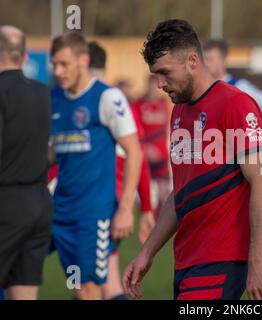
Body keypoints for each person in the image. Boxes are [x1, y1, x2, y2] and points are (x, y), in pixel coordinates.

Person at [122, 19, 262, 300]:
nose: (160, 84)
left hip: (222, 259)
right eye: (156, 75)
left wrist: (256, 261)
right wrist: (147, 253)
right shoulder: (179, 112)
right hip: (186, 260)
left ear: (193, 60)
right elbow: (180, 193)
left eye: (165, 73)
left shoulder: (236, 104)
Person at [49, 31, 142, 300]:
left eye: (64, 64)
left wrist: (126, 208)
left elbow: (134, 152)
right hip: (57, 210)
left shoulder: (107, 98)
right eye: (54, 64)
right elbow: (52, 153)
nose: (58, 70)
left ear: (83, 60)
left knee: (87, 288)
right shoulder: (54, 97)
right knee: (15, 262)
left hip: (94, 215)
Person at [88, 41, 155, 300]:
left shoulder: (105, 102)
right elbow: (140, 159)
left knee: (96, 284)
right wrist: (146, 208)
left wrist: (141, 208)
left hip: (103, 207)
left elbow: (136, 156)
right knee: (97, 282)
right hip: (104, 206)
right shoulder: (122, 105)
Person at [0, 25, 52, 300]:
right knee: (23, 293)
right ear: (23, 55)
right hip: (39, 203)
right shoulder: (45, 93)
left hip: (6, 202)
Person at [203, 39, 262, 126]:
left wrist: (250, 127)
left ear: (224, 60)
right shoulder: (202, 89)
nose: (206, 64)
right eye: (204, 60)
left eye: (210, 59)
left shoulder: (240, 86)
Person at [133, 75, 171, 220]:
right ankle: (143, 217)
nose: (154, 90)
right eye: (151, 86)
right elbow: (135, 131)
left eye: (157, 87)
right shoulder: (138, 104)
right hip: (145, 155)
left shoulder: (164, 103)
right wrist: (145, 147)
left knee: (164, 192)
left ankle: (160, 222)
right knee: (143, 190)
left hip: (161, 155)